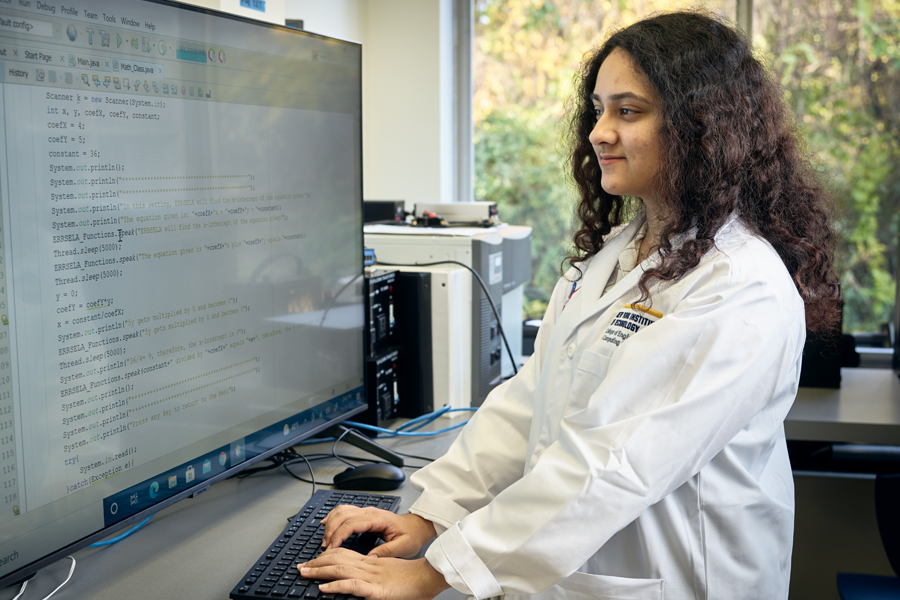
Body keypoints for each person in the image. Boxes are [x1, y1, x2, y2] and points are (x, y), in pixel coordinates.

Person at [299, 10, 841, 600]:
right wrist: (430, 517)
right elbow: (532, 403)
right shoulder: (618, 254)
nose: (599, 132)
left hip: (679, 582)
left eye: (627, 111)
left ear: (703, 128)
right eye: (599, 109)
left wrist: (437, 573)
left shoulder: (739, 287)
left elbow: (611, 462)